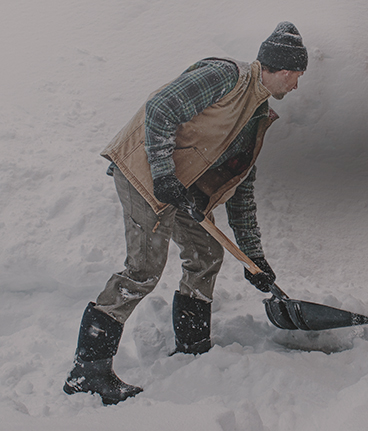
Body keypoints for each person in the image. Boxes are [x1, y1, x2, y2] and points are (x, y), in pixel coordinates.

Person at [63, 21, 307, 405]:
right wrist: (163, 174)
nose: (296, 85)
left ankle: (193, 348)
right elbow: (161, 108)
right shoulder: (227, 77)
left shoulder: (256, 114)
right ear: (285, 69)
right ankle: (88, 371)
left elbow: (241, 190)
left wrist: (254, 257)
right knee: (143, 269)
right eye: (297, 76)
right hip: (145, 174)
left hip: (178, 187)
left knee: (206, 254)